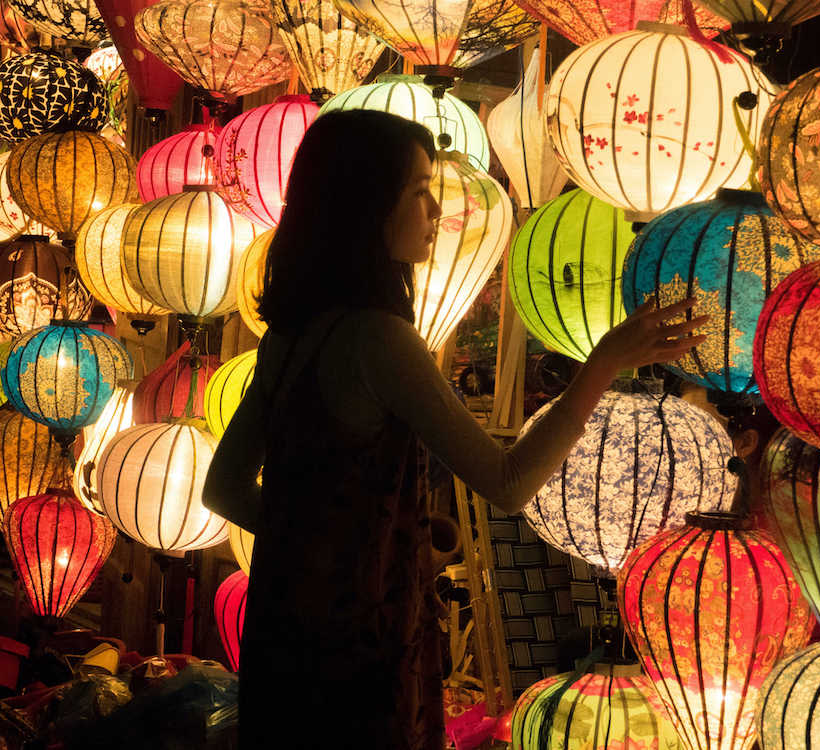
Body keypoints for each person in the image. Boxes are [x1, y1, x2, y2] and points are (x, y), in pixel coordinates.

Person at [202, 109, 708, 750]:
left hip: (285, 632)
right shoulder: (376, 338)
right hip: (360, 651)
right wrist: (603, 363)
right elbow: (509, 482)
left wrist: (341, 542)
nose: (436, 209)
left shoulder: (292, 334)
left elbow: (224, 489)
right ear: (365, 205)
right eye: (418, 190)